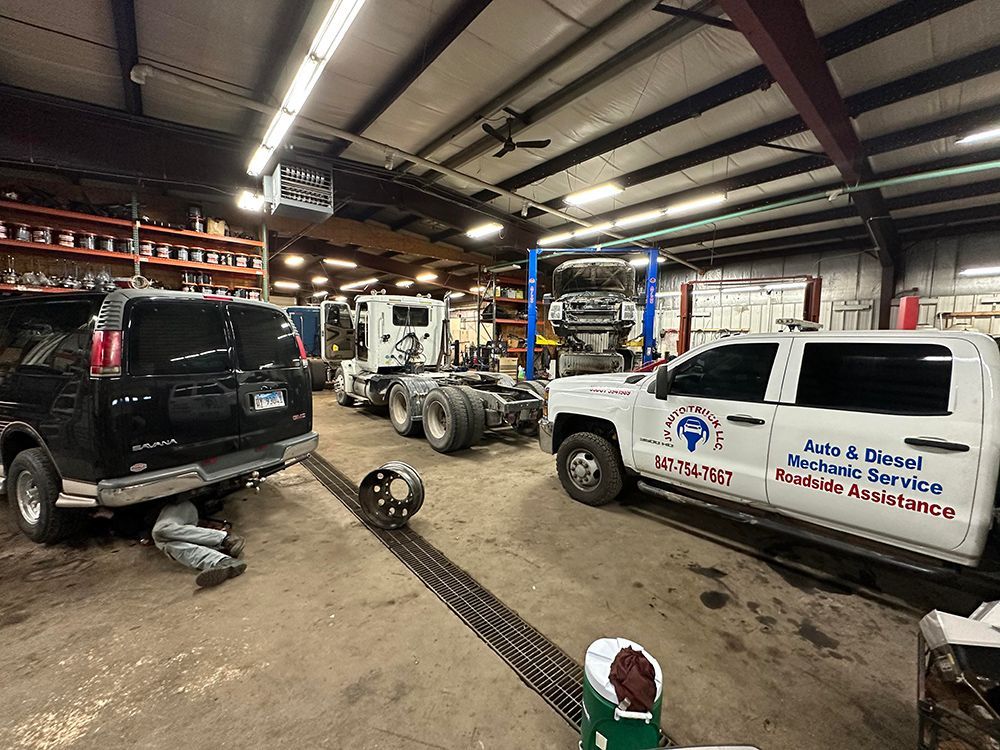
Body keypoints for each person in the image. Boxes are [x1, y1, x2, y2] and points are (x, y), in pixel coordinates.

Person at [152, 498, 247, 588]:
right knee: (169, 546)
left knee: (160, 530)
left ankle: (226, 539)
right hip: (174, 532)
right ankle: (221, 561)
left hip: (179, 507)